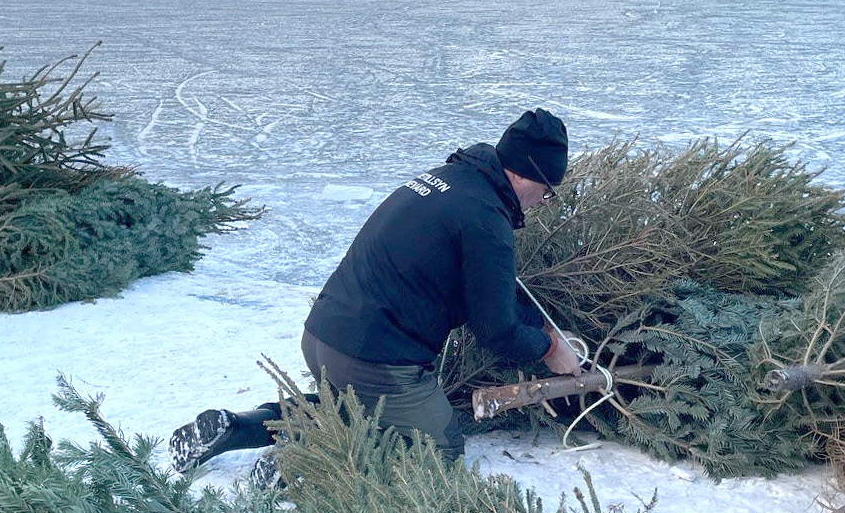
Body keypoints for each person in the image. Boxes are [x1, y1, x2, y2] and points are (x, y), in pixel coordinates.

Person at [169, 109, 581, 475]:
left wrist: (540, 324)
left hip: (322, 335)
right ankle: (303, 466)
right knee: (440, 448)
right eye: (547, 191)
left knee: (352, 410)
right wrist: (548, 348)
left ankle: (237, 426)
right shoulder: (486, 220)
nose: (543, 202)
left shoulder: (450, 180)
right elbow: (497, 331)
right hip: (374, 358)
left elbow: (491, 287)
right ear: (525, 174)